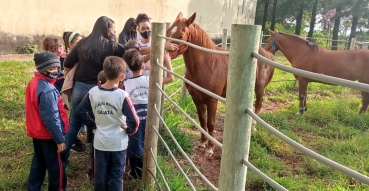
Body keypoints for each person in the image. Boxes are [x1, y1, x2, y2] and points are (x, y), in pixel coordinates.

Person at [63, 16, 177, 162]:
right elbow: (134, 51)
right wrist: (160, 46)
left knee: (74, 124)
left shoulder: (83, 42)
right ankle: (94, 164)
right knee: (96, 126)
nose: (114, 32)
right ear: (106, 29)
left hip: (78, 87)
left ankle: (63, 158)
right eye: (113, 30)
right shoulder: (110, 46)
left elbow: (67, 62)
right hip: (96, 90)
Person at [75, 56, 139, 190]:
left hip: (100, 142)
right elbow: (135, 120)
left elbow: (79, 111)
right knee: (117, 174)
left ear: (105, 71)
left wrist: (92, 124)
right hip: (118, 142)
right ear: (122, 76)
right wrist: (129, 130)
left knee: (100, 174)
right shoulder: (122, 96)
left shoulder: (93, 92)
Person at [123, 48, 173, 179]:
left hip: (134, 116)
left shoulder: (125, 84)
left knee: (135, 142)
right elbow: (170, 78)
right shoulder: (150, 79)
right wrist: (167, 61)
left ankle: (135, 171)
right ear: (143, 65)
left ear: (128, 67)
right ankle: (150, 167)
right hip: (150, 113)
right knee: (150, 139)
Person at [25, 52, 69, 191]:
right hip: (50, 136)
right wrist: (59, 139)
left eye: (57, 67)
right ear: (42, 69)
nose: (56, 71)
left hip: (37, 134)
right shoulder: (48, 90)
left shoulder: (34, 83)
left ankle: (33, 188)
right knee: (57, 168)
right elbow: (51, 117)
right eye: (51, 69)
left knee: (38, 164)